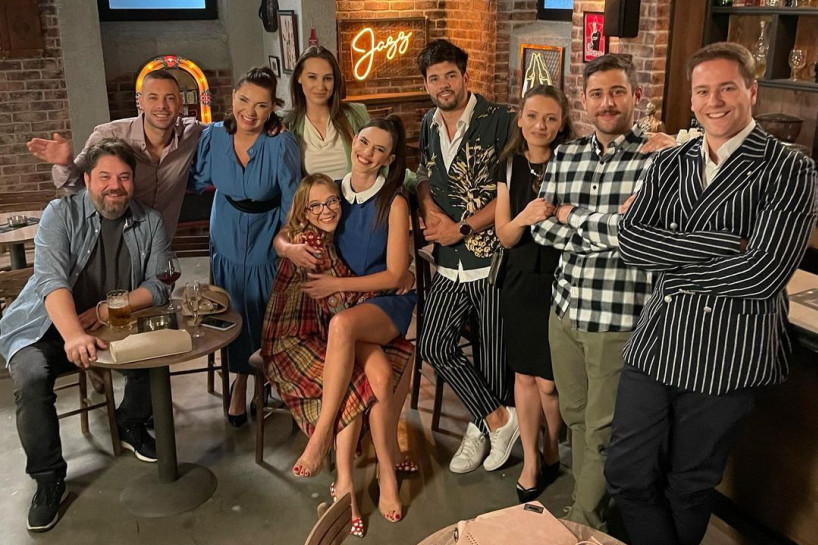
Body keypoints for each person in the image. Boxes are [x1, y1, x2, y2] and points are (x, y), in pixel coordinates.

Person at [606, 42, 818, 545]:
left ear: (752, 90)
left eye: (726, 87)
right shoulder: (669, 162)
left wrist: (673, 263)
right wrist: (722, 244)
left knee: (689, 484)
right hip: (657, 343)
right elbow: (631, 242)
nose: (713, 101)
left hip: (730, 352)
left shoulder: (789, 169)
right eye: (702, 91)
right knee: (627, 473)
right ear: (691, 98)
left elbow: (762, 274)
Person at [530, 53, 675, 529]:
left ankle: (584, 523)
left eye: (617, 92)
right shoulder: (566, 155)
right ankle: (594, 507)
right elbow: (540, 228)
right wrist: (609, 228)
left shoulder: (659, 160)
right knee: (574, 416)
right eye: (597, 94)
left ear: (636, 95)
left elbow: (638, 236)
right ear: (584, 101)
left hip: (617, 317)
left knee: (602, 429)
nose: (607, 102)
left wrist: (570, 216)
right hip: (565, 310)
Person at [0, 138, 171, 532]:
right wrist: (74, 334)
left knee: (159, 341)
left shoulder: (150, 221)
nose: (116, 186)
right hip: (47, 327)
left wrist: (104, 311)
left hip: (111, 324)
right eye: (105, 176)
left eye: (124, 177)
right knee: (31, 376)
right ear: (88, 179)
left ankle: (130, 422)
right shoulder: (60, 214)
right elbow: (51, 280)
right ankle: (48, 480)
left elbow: (160, 285)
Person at [263, 173, 414, 536]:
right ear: (304, 211)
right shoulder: (310, 244)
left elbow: (343, 302)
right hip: (293, 341)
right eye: (315, 205)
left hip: (331, 329)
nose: (326, 210)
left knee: (392, 364)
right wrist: (395, 280)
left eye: (331, 201)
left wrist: (400, 275)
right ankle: (342, 478)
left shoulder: (332, 236)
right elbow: (339, 301)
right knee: (359, 381)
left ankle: (386, 466)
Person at [414, 38, 518, 475]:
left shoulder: (501, 120)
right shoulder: (428, 123)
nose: (443, 84)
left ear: (465, 76)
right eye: (434, 78)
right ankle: (497, 419)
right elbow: (423, 172)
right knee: (434, 343)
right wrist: (427, 207)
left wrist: (463, 226)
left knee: (492, 357)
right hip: (446, 263)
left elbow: (512, 191)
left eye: (450, 75)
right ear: (426, 84)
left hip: (491, 260)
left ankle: (481, 430)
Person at [189, 66, 300, 427]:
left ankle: (260, 376)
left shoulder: (281, 143)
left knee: (262, 308)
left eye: (261, 105)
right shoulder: (214, 136)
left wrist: (286, 242)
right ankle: (239, 381)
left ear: (273, 109)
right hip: (225, 228)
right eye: (244, 100)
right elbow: (196, 178)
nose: (250, 112)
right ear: (233, 96)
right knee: (231, 307)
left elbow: (292, 200)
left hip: (266, 232)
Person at [494, 85, 575, 503]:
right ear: (520, 120)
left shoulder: (573, 163)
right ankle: (530, 458)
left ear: (561, 124)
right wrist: (525, 215)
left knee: (549, 383)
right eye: (532, 116)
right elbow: (505, 236)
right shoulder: (509, 167)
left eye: (549, 118)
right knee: (524, 376)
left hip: (562, 282)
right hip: (521, 281)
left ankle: (551, 443)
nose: (540, 125)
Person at [26, 69, 203, 238]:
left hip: (160, 242)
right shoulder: (109, 135)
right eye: (153, 97)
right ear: (140, 102)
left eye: (170, 98)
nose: (162, 105)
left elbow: (219, 130)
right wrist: (65, 164)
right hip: (109, 240)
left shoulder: (190, 133)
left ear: (180, 102)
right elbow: (76, 186)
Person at [281, 45, 369, 180]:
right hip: (311, 194)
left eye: (327, 78)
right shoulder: (286, 123)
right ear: (299, 77)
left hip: (355, 193)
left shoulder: (357, 113)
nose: (320, 86)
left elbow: (380, 159)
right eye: (312, 77)